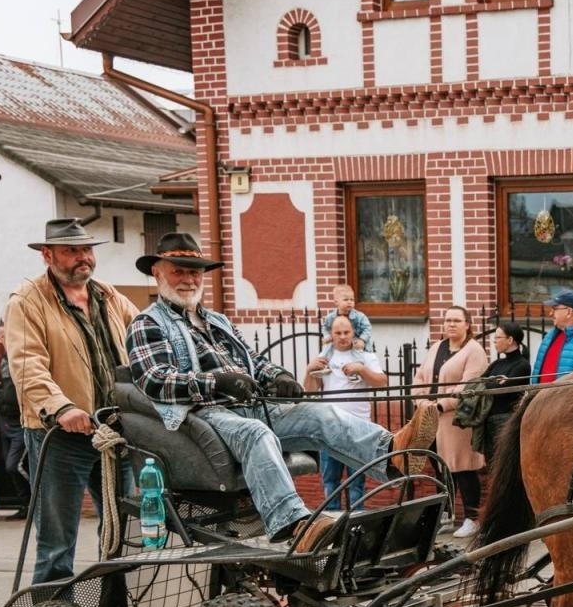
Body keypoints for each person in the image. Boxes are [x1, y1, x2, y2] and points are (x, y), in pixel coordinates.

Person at [127, 233, 421, 549]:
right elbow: (155, 379)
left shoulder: (217, 321)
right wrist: (217, 383)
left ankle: (391, 455)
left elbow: (253, 362)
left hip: (249, 405)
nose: (188, 279)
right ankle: (294, 524)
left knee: (318, 414)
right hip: (203, 417)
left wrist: (279, 376)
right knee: (256, 433)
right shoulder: (148, 323)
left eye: (194, 271)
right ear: (157, 272)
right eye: (178, 271)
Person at [3, 218, 140, 583]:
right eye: (71, 251)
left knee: (120, 534)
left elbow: (143, 340)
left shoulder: (109, 296)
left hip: (113, 434)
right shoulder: (27, 301)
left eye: (87, 249)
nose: (83, 258)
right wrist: (61, 407)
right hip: (61, 436)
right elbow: (28, 364)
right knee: (57, 542)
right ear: (47, 255)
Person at [413, 305, 489, 537]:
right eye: (447, 320)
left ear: (467, 324)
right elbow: (420, 377)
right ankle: (445, 515)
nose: (451, 324)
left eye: (456, 320)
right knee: (440, 469)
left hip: (457, 421)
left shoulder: (474, 351)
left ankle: (472, 518)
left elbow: (468, 387)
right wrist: (420, 401)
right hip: (431, 418)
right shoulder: (437, 347)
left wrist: (441, 404)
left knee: (463, 469)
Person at [303, 314, 386, 511]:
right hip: (329, 428)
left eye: (346, 332)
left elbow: (382, 382)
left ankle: (356, 525)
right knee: (330, 482)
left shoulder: (366, 356)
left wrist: (362, 369)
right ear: (331, 334)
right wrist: (309, 370)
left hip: (359, 428)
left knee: (357, 483)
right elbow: (310, 391)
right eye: (338, 332)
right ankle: (333, 526)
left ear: (354, 332)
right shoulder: (324, 357)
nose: (342, 336)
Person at [475, 321, 530, 461]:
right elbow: (477, 384)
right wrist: (495, 382)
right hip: (488, 422)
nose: (494, 341)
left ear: (510, 340)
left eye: (498, 338)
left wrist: (491, 383)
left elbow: (502, 390)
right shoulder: (497, 364)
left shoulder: (522, 365)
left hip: (506, 422)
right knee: (490, 464)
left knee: (503, 463)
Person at [0, 347, 30, 519]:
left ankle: (35, 503)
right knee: (11, 466)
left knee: (15, 465)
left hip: (22, 422)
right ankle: (25, 505)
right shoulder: (3, 359)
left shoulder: (25, 354)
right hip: (5, 421)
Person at [319, 284, 373, 351]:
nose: (349, 302)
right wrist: (328, 337)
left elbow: (367, 328)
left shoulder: (359, 316)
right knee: (325, 355)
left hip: (356, 347)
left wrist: (362, 340)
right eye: (346, 299)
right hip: (338, 347)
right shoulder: (331, 317)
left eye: (352, 300)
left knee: (360, 359)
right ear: (336, 302)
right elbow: (325, 327)